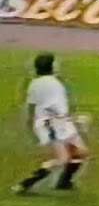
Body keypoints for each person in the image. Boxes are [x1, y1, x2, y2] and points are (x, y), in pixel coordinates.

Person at [14, 54, 88, 194]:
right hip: (53, 124)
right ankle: (26, 183)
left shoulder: (34, 84)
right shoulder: (56, 83)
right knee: (63, 158)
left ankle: (64, 182)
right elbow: (57, 107)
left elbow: (32, 106)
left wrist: (31, 123)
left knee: (80, 153)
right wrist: (74, 118)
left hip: (56, 122)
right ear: (52, 66)